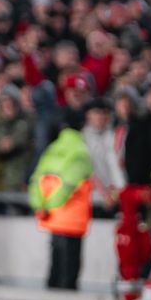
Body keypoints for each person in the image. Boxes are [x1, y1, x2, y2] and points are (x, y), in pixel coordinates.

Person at [28, 118, 94, 290]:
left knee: (55, 259)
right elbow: (70, 185)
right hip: (73, 217)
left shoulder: (52, 149)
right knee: (70, 263)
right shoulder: (81, 151)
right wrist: (54, 204)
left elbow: (36, 179)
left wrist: (42, 205)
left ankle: (52, 290)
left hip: (52, 216)